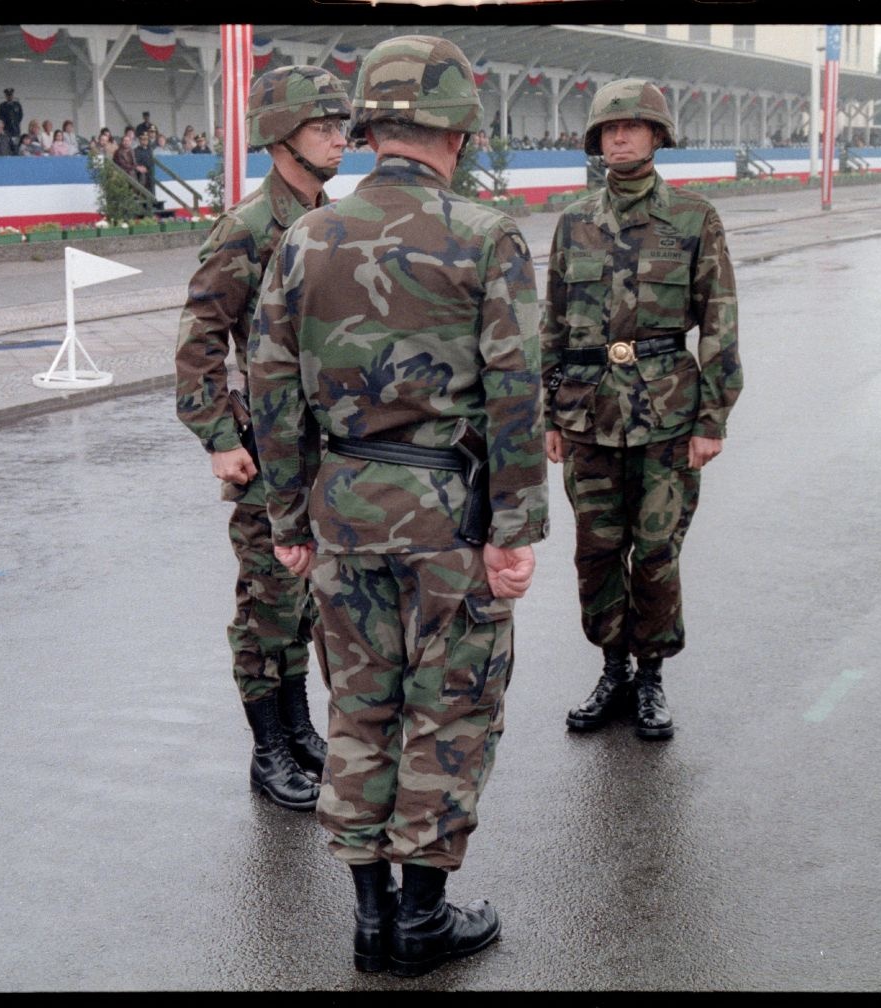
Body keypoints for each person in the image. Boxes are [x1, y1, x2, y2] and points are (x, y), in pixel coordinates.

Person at [248, 34, 547, 978]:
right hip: (448, 518)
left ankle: (370, 917)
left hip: (341, 514)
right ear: (456, 128)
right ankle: (420, 916)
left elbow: (270, 392)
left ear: (374, 126)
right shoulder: (486, 235)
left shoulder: (304, 237)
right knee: (449, 709)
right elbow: (516, 394)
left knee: (360, 707)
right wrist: (515, 533)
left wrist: (288, 523)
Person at [175, 64, 352, 815]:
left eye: (342, 126)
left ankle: (299, 728)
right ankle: (267, 750)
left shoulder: (329, 217)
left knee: (304, 600)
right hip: (264, 453)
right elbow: (197, 342)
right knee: (266, 604)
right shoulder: (248, 229)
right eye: (323, 127)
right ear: (282, 136)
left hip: (322, 450)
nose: (340, 139)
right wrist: (218, 436)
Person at [541, 79, 742, 740]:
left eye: (633, 126)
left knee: (655, 551)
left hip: (667, 415)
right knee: (597, 551)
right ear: (596, 141)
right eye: (608, 129)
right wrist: (549, 412)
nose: (619, 137)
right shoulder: (574, 222)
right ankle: (612, 671)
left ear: (658, 136)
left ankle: (651, 676)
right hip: (588, 414)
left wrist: (713, 418)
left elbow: (719, 321)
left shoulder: (692, 219)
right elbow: (552, 322)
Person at [0, 87, 23, 153]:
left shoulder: (17, 105)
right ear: (6, 96)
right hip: (6, 130)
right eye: (8, 95)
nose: (9, 97)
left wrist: (16, 123)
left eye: (10, 95)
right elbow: (0, 117)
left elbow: (20, 116)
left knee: (16, 146)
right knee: (7, 146)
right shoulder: (2, 106)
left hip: (15, 130)